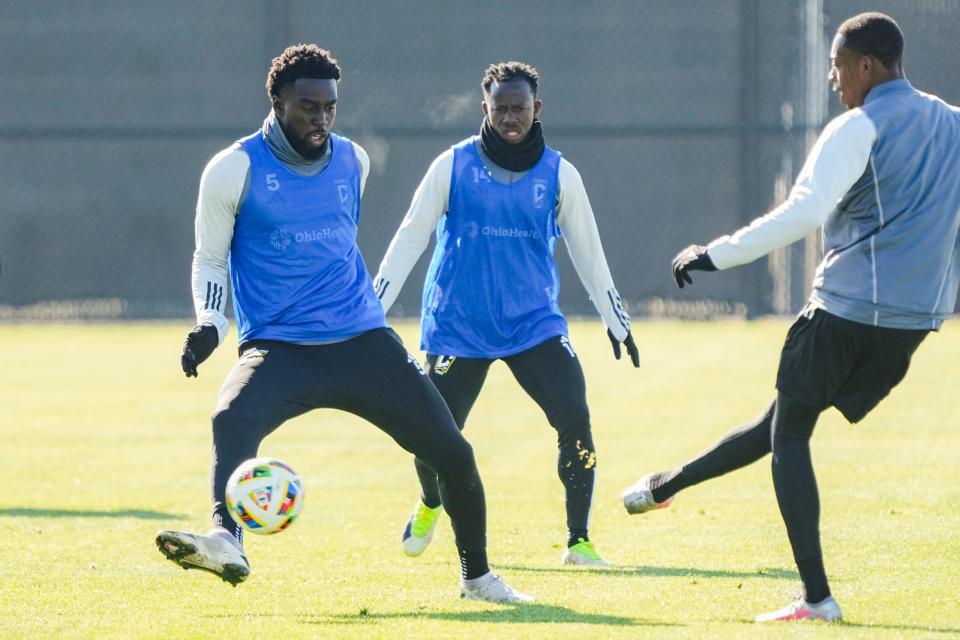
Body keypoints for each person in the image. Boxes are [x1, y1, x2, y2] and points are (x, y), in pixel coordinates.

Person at [154, 44, 532, 603]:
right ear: (278, 101)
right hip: (279, 347)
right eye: (309, 107)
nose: (322, 118)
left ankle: (477, 579)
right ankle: (226, 540)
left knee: (453, 452)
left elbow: (337, 242)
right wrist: (211, 322)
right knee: (231, 416)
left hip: (362, 341)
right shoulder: (233, 168)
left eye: (330, 106)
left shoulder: (353, 160)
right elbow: (210, 257)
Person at [622, 12, 960, 623]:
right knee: (781, 420)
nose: (833, 78)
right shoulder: (953, 124)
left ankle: (816, 599)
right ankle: (663, 487)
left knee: (791, 435)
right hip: (913, 324)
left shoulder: (858, 126)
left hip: (845, 310)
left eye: (837, 66)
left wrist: (714, 254)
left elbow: (803, 213)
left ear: (865, 66)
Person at [373, 61, 639, 567]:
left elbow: (589, 252)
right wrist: (370, 312)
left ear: (537, 108)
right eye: (501, 107)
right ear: (485, 109)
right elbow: (409, 238)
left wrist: (615, 317)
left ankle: (578, 541)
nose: (510, 116)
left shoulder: (560, 174)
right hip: (457, 325)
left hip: (532, 324)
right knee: (433, 435)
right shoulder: (452, 166)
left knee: (576, 419)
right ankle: (431, 501)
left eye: (519, 107)